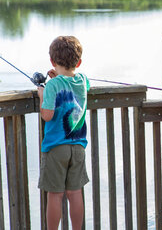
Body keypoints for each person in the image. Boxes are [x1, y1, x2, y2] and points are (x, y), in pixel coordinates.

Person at [37, 36, 90, 230]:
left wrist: (42, 95)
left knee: (55, 195)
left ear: (52, 61)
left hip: (56, 147)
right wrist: (60, 76)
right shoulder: (83, 80)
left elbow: (48, 115)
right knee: (75, 193)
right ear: (79, 62)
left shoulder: (52, 86)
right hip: (78, 146)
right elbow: (73, 82)